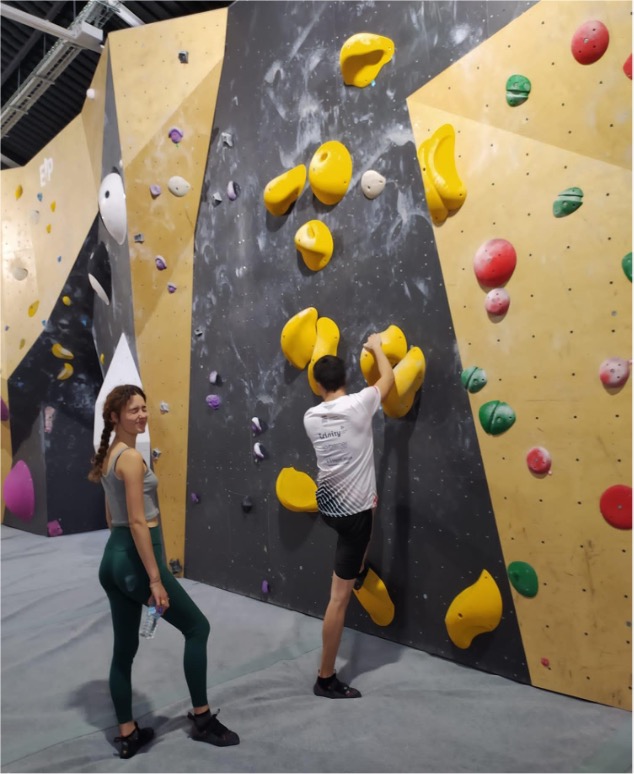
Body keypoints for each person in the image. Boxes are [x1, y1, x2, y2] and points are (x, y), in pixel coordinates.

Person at [88, 384, 239, 758]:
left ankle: (128, 735)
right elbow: (138, 521)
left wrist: (126, 563)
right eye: (133, 410)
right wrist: (154, 579)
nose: (142, 415)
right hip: (136, 561)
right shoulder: (130, 459)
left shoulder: (108, 455)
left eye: (144, 408)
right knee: (197, 628)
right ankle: (202, 719)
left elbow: (111, 516)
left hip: (114, 560)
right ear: (115, 417)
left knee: (124, 650)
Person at [303, 333, 395, 699]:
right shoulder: (360, 404)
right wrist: (376, 347)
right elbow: (388, 379)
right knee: (338, 600)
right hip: (354, 514)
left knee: (365, 521)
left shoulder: (310, 417)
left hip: (328, 507)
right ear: (345, 379)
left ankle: (356, 569)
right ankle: (325, 678)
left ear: (317, 385)